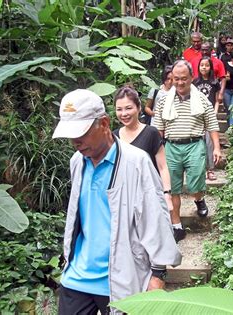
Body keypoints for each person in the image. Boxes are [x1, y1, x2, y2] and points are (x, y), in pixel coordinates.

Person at [52, 89, 181, 314]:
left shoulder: (136, 162)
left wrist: (158, 274)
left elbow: (155, 218)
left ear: (103, 123)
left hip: (122, 277)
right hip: (77, 276)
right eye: (71, 135)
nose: (75, 142)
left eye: (81, 133)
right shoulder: (77, 161)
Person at [153, 60, 221, 241]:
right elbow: (158, 128)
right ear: (171, 79)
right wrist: (155, 152)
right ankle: (176, 226)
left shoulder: (202, 100)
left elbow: (212, 124)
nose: (180, 82)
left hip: (195, 145)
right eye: (176, 79)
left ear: (192, 78)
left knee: (194, 185)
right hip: (171, 147)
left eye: (184, 78)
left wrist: (216, 147)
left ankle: (198, 199)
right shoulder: (163, 102)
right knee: (172, 188)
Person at [113, 86, 181, 241]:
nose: (124, 114)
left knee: (155, 239)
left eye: (128, 108)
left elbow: (163, 167)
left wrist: (167, 195)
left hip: (150, 195)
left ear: (138, 108)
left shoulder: (151, 132)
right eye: (119, 109)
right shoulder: (114, 137)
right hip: (125, 198)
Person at [193, 56, 221, 181]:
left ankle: (210, 170)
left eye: (207, 65)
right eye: (202, 65)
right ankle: (199, 170)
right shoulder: (194, 82)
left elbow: (216, 100)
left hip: (209, 116)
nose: (204, 67)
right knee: (198, 143)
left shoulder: (215, 83)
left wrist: (214, 112)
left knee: (209, 143)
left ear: (210, 67)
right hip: (197, 116)